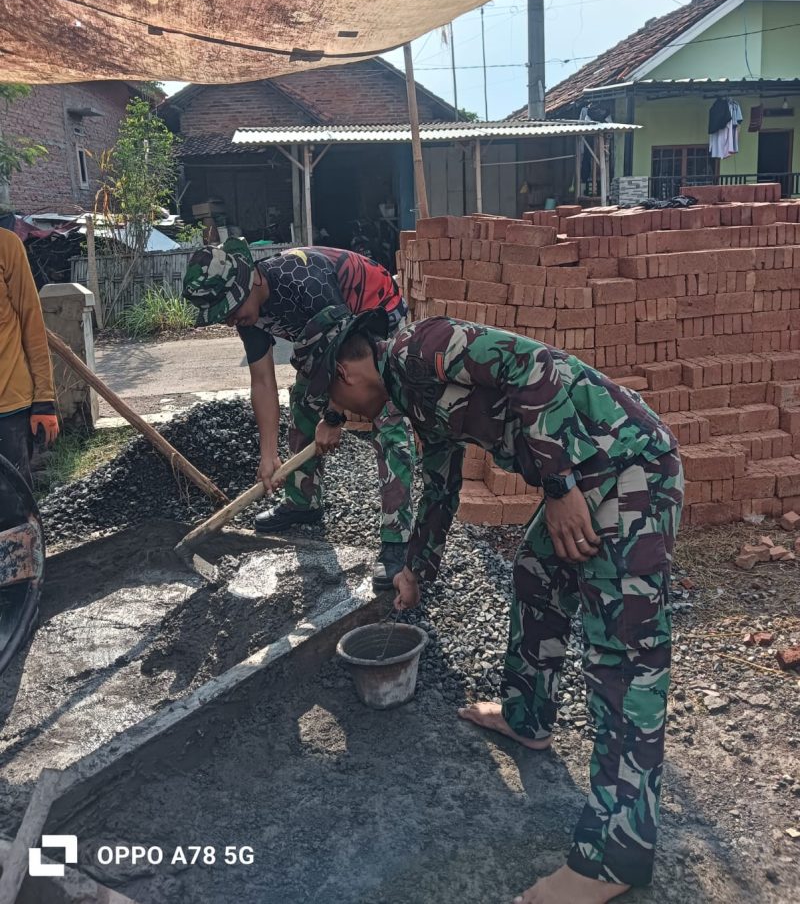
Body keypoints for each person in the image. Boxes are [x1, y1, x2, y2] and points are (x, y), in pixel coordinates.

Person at [297, 306, 684, 904]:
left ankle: (615, 857)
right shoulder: (411, 395)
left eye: (335, 401)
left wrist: (558, 488)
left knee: (625, 658)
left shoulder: (421, 346)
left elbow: (535, 369)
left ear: (347, 372)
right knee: (535, 576)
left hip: (630, 467)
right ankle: (528, 717)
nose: (343, 414)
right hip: (589, 478)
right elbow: (440, 484)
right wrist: (416, 568)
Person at [182, 240, 415, 590]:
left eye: (231, 308)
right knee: (303, 400)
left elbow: (344, 357)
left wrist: (334, 418)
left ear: (252, 280)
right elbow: (263, 382)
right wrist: (268, 455)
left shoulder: (304, 280)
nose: (231, 320)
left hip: (374, 314)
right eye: (223, 315)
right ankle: (303, 501)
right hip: (327, 335)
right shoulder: (248, 315)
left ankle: (398, 542)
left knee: (388, 416)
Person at [0, 226, 59, 487]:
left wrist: (44, 399)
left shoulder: (6, 245)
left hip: (8, 408)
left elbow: (31, 322)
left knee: (13, 502)